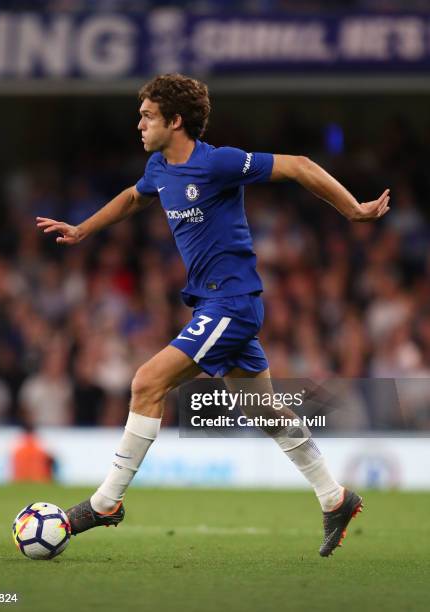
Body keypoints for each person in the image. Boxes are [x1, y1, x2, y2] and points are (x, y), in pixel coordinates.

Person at [36, 74, 390, 557]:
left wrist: (353, 210)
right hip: (213, 303)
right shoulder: (159, 167)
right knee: (261, 409)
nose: (138, 123)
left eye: (147, 116)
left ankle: (106, 501)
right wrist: (83, 229)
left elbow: (302, 165)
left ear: (175, 120)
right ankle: (335, 497)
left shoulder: (219, 162)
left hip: (233, 301)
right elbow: (133, 197)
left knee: (146, 382)